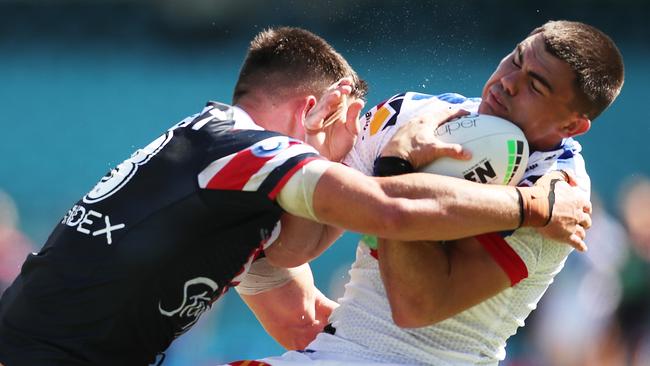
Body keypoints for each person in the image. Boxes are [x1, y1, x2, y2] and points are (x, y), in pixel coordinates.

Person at [0, 26, 588, 366]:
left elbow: (300, 314)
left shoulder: (219, 170)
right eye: (348, 128)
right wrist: (534, 206)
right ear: (321, 107)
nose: (349, 151)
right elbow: (388, 206)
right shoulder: (252, 153)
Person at [229, 20, 623, 365]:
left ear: (572, 125)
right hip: (335, 352)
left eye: (535, 86)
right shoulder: (418, 114)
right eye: (515, 59)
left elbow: (416, 306)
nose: (507, 81)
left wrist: (397, 167)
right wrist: (314, 153)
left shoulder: (560, 194)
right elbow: (292, 249)